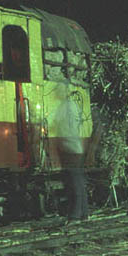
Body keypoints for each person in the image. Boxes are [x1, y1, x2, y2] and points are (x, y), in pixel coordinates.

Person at [54, 80, 89, 222]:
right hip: (73, 147)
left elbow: (60, 125)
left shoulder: (67, 106)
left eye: (59, 89)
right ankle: (84, 214)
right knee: (78, 182)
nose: (57, 92)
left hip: (70, 148)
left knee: (74, 183)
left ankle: (75, 215)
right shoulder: (70, 105)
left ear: (66, 91)